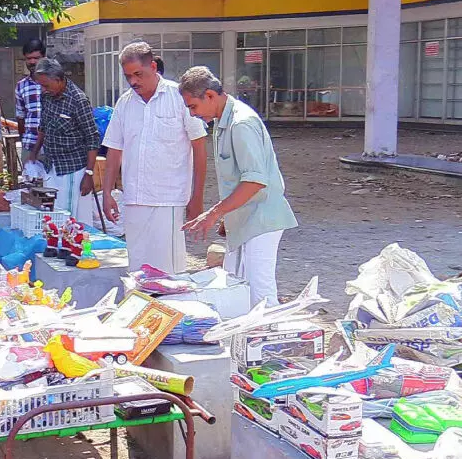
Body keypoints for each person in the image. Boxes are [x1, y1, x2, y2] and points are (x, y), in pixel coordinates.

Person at [179, 66, 297, 307]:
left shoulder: (241, 123)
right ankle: (248, 341)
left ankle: (270, 341)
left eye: (193, 107)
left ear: (210, 96)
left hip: (261, 218)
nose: (192, 114)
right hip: (244, 218)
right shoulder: (224, 121)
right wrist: (227, 216)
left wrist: (214, 213)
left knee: (259, 293)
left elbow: (255, 181)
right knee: (237, 290)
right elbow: (238, 179)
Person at [101, 42, 208, 274]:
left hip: (168, 199)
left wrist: (196, 197)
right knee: (137, 268)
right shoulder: (125, 102)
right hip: (134, 199)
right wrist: (107, 192)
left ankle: (170, 310)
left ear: (153, 66)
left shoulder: (179, 97)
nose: (133, 81)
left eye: (138, 74)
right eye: (128, 76)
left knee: (168, 271)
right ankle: (139, 309)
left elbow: (199, 148)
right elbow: (114, 149)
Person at [29, 58, 99, 225]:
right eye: (41, 85)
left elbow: (92, 138)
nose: (43, 89)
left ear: (59, 80)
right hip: (51, 166)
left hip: (73, 170)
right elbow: (43, 126)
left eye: (46, 85)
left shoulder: (78, 100)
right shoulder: (46, 96)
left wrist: (89, 174)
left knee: (72, 221)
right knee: (51, 217)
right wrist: (33, 154)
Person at [15, 39, 45, 164]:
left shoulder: (56, 83)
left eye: (36, 58)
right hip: (29, 144)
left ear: (44, 57)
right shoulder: (21, 86)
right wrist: (24, 140)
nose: (32, 62)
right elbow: (20, 118)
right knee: (29, 183)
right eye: (29, 58)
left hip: (53, 147)